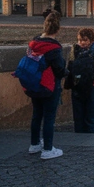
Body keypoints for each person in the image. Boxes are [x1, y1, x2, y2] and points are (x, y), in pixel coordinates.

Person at [27, 12, 67, 159]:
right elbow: (59, 70)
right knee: (49, 117)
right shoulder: (54, 47)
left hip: (34, 83)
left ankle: (34, 144)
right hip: (49, 86)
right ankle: (48, 149)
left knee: (36, 115)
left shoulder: (34, 42)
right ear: (58, 29)